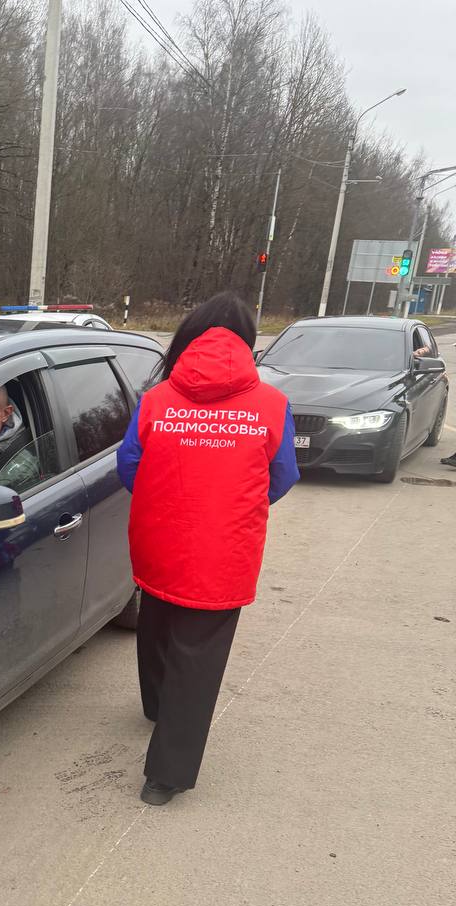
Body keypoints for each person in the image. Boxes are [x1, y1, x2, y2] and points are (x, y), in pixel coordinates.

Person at [116, 292, 299, 806]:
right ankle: (164, 777)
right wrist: (230, 505)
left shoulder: (156, 400)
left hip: (159, 537)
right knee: (198, 656)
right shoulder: (272, 405)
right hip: (224, 552)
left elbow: (129, 466)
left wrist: (168, 499)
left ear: (186, 340)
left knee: (155, 625)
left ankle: (155, 705)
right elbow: (282, 475)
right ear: (248, 343)